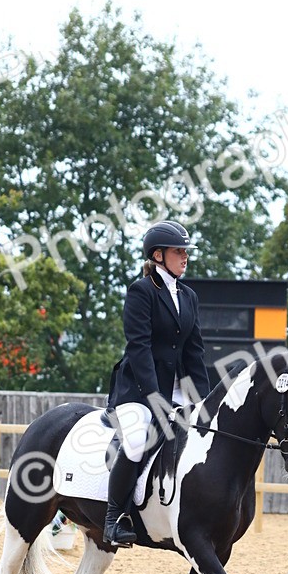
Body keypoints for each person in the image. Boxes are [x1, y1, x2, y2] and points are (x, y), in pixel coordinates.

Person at [103, 219, 210, 547]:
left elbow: (195, 353)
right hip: (138, 388)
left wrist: (207, 402)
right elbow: (139, 348)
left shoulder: (189, 296)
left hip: (178, 387)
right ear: (159, 255)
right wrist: (156, 400)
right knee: (136, 442)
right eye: (179, 251)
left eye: (186, 251)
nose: (185, 256)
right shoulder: (142, 291)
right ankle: (113, 518)